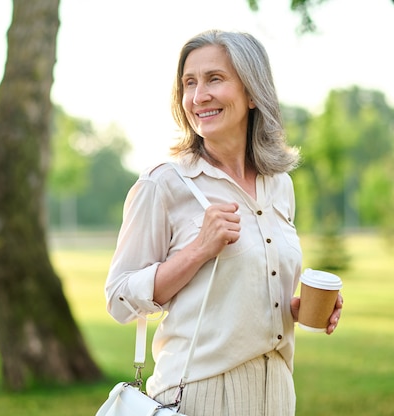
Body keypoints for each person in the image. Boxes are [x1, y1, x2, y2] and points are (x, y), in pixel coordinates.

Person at [105, 29, 343, 416]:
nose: (199, 97)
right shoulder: (164, 183)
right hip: (199, 397)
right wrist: (198, 250)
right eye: (189, 83)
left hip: (278, 392)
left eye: (214, 79)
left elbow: (245, 290)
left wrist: (293, 308)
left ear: (252, 93)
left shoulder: (278, 185)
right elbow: (118, 299)